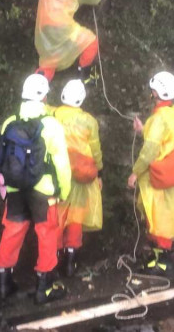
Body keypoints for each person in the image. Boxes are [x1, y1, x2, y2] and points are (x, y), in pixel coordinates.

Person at [0, 74, 72, 304]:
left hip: (15, 188)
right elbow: (62, 164)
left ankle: (3, 283)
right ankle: (43, 288)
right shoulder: (52, 125)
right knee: (46, 234)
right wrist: (64, 192)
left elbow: (1, 160)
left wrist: (5, 191)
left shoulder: (9, 122)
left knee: (12, 231)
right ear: (45, 97)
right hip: (43, 192)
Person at [127, 71, 174, 275]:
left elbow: (150, 150)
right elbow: (166, 136)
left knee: (158, 218)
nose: (151, 93)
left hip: (159, 176)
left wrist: (135, 172)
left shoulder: (158, 118)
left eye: (152, 90)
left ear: (157, 92)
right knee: (166, 218)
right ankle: (158, 259)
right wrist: (143, 129)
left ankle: (162, 262)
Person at [52, 79, 104, 277]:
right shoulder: (89, 121)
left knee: (57, 217)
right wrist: (99, 172)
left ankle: (53, 261)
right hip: (81, 176)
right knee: (76, 217)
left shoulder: (54, 114)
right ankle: (70, 263)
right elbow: (96, 149)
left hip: (59, 173)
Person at [34, 0, 105, 83]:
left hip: (43, 33)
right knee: (91, 41)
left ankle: (36, 86)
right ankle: (83, 78)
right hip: (62, 29)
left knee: (50, 61)